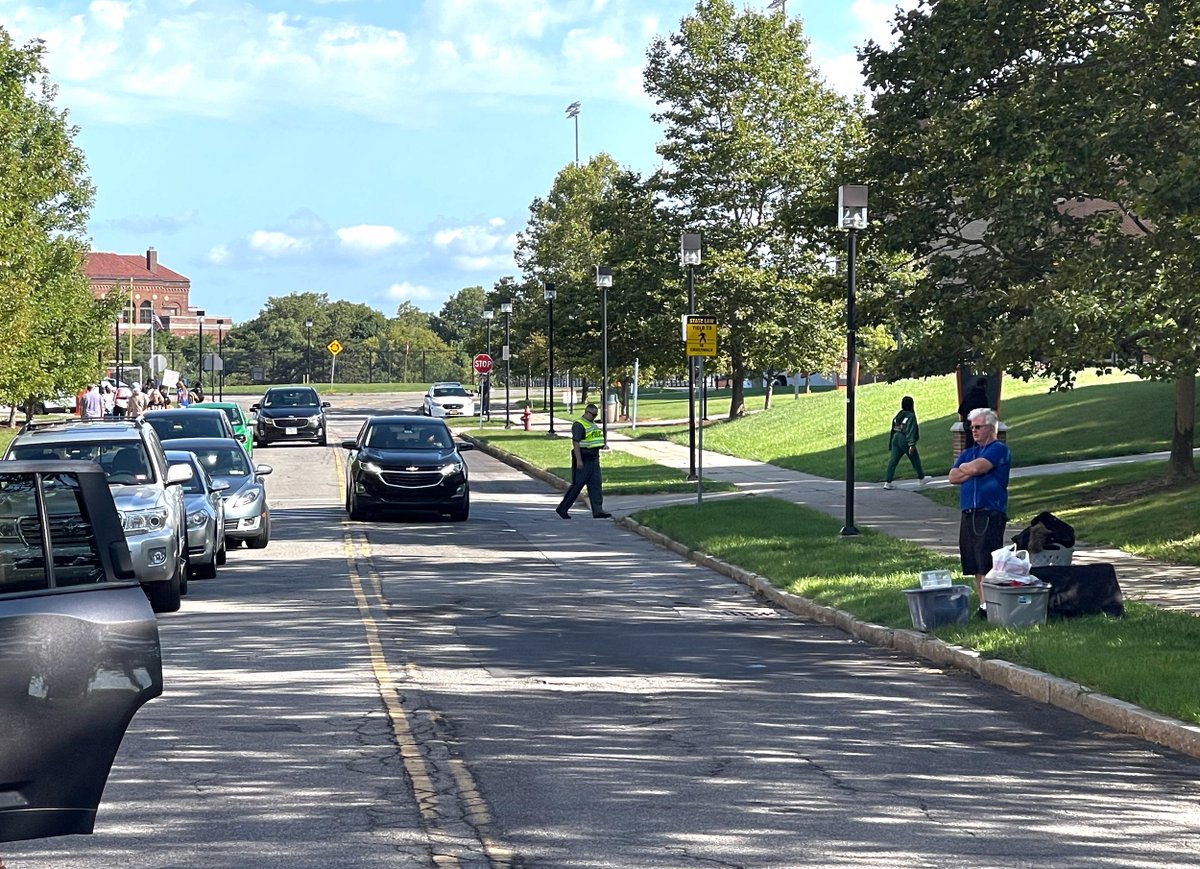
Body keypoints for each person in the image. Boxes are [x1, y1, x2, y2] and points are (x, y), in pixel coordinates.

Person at [948, 407, 1011, 619]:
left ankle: (993, 605)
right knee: (974, 561)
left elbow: (977, 469)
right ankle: (984, 605)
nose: (973, 431)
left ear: (990, 428)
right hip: (969, 512)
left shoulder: (998, 449)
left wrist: (968, 469)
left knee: (987, 560)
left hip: (989, 511)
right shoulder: (969, 453)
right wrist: (969, 467)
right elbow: (953, 477)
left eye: (978, 427)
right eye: (971, 427)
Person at [555, 402, 612, 519]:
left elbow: (593, 439)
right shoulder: (579, 425)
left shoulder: (592, 424)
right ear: (586, 412)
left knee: (596, 485)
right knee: (577, 485)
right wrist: (579, 460)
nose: (594, 417)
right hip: (583, 458)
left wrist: (602, 446)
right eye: (593, 414)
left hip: (594, 458)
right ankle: (562, 509)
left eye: (596, 415)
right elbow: (576, 443)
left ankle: (598, 511)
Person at [883, 395, 926, 489]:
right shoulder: (910, 416)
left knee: (893, 461)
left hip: (895, 438)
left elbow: (893, 428)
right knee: (915, 459)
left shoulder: (899, 415)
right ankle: (922, 478)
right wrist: (911, 444)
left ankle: (888, 482)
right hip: (904, 439)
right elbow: (911, 430)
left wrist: (891, 442)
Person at [958, 375, 991, 445]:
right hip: (979, 425)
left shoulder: (968, 396)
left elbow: (961, 410)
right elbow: (986, 413)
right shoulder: (982, 398)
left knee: (969, 445)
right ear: (984, 386)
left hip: (967, 424)